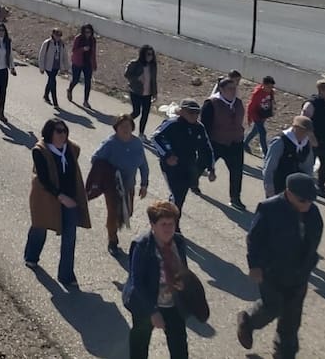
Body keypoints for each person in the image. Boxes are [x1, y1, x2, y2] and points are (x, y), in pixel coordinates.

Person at [236, 173, 323, 359]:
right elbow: (254, 239)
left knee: (292, 318)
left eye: (311, 200)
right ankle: (248, 321)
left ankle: (284, 353)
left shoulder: (313, 212)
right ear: (288, 193)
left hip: (299, 273)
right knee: (272, 306)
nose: (307, 204)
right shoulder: (269, 209)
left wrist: (309, 263)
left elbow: (314, 239)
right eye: (302, 200)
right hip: (272, 272)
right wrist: (255, 265)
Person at [25, 118, 91, 287]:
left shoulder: (71, 149)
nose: (63, 134)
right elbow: (44, 179)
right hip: (45, 197)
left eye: (64, 131)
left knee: (70, 236)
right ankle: (31, 257)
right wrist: (60, 196)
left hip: (69, 199)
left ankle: (66, 275)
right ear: (49, 133)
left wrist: (72, 197)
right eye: (59, 131)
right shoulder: (40, 151)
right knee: (40, 227)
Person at [123, 201, 191, 359]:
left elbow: (184, 269)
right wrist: (153, 312)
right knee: (140, 345)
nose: (168, 228)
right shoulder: (142, 246)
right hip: (145, 303)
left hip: (172, 303)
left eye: (171, 224)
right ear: (152, 225)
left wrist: (182, 282)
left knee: (179, 346)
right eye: (163, 224)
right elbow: (137, 282)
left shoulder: (179, 242)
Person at [152, 99, 216, 227]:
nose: (194, 116)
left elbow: (206, 148)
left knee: (180, 195)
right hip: (171, 165)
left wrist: (211, 168)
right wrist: (167, 155)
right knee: (177, 194)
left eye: (197, 113)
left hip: (189, 166)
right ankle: (173, 226)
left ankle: (166, 216)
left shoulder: (199, 128)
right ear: (181, 112)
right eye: (190, 112)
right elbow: (156, 137)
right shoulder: (172, 124)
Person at [92, 114, 150, 253]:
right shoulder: (110, 143)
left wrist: (144, 184)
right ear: (116, 128)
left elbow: (143, 165)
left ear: (132, 128)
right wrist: (107, 172)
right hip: (112, 186)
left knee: (127, 213)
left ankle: (115, 224)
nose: (125, 129)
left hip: (129, 185)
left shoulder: (137, 143)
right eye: (122, 126)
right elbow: (95, 159)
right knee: (113, 212)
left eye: (128, 126)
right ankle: (112, 240)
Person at [201, 77, 247, 210]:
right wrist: (205, 145)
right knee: (202, 163)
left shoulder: (238, 103)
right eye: (230, 88)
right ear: (221, 89)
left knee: (237, 171)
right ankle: (192, 182)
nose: (233, 91)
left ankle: (235, 198)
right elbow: (205, 127)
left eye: (235, 88)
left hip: (235, 143)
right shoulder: (211, 103)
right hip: (216, 142)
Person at [262, 116, 315, 198]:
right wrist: (269, 186)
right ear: (294, 128)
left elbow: (308, 167)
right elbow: (270, 166)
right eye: (302, 130)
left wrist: (307, 186)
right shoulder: (280, 141)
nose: (305, 134)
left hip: (295, 188)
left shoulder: (306, 144)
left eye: (307, 132)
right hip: (278, 184)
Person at [124, 45, 158, 138]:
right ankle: (123, 122)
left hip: (147, 94)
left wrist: (155, 93)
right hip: (136, 92)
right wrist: (137, 78)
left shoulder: (153, 66)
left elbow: (153, 80)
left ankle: (141, 133)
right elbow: (127, 75)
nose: (150, 56)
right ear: (143, 54)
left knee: (145, 114)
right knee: (136, 112)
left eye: (152, 54)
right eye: (148, 54)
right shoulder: (135, 63)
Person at [244, 76, 277, 156]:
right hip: (256, 115)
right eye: (268, 87)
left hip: (263, 114)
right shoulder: (257, 93)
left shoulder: (270, 92)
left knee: (255, 131)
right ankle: (266, 153)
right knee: (263, 132)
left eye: (271, 87)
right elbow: (251, 106)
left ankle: (244, 143)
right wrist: (249, 117)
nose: (270, 89)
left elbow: (271, 101)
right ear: (264, 85)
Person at [68, 24, 97, 108]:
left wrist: (94, 64)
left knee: (88, 82)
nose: (88, 34)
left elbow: (93, 53)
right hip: (78, 62)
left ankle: (85, 101)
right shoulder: (78, 38)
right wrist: (83, 49)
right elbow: (74, 50)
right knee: (76, 79)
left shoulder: (93, 40)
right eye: (86, 32)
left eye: (89, 32)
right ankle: (70, 90)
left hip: (88, 63)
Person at [38, 28, 66, 108]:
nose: (58, 37)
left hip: (56, 66)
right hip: (48, 66)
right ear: (53, 34)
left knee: (50, 81)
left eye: (60, 35)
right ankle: (55, 102)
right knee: (53, 81)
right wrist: (41, 67)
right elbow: (41, 55)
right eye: (57, 35)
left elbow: (64, 55)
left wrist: (64, 67)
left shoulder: (61, 44)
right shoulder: (47, 43)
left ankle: (46, 95)